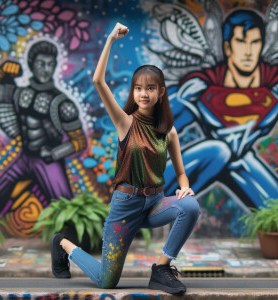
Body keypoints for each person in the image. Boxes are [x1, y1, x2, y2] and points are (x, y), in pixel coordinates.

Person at [50, 23, 200, 295]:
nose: (144, 93)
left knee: (190, 206)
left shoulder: (169, 132)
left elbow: (180, 173)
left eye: (150, 88)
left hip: (155, 202)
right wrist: (110, 39)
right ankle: (63, 244)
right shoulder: (125, 123)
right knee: (107, 281)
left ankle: (162, 269)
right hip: (126, 207)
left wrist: (184, 185)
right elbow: (98, 81)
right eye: (138, 88)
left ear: (161, 92)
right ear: (133, 92)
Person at [164, 9, 278, 208]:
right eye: (241, 42)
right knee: (220, 149)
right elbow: (158, 131)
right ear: (227, 47)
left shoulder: (274, 87)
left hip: (241, 164)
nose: (249, 51)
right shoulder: (199, 88)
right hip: (204, 161)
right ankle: (144, 205)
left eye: (255, 42)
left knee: (236, 159)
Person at [0, 40, 87, 214]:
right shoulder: (20, 93)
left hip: (48, 161)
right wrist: (2, 70)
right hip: (24, 158)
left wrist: (54, 153)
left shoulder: (62, 103)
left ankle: (74, 241)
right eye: (41, 63)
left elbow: (80, 142)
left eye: (50, 64)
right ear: (31, 64)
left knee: (67, 211)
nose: (46, 69)